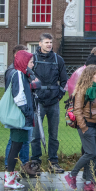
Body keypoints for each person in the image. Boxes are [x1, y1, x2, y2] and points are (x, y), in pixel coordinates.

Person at [30, 33, 69, 174]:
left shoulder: (58, 60)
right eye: (46, 42)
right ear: (40, 43)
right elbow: (28, 78)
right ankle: (35, 161)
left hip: (53, 102)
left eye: (50, 42)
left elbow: (64, 81)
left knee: (53, 134)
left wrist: (59, 95)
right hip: (38, 102)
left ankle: (53, 162)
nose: (49, 45)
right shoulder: (33, 59)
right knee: (35, 134)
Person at [64, 65, 96, 191]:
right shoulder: (82, 91)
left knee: (94, 155)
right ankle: (72, 175)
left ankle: (89, 183)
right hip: (87, 126)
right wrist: (84, 127)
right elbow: (77, 110)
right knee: (90, 153)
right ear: (89, 76)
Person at [4, 49, 39, 189]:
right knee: (15, 146)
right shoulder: (18, 74)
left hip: (21, 116)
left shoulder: (20, 73)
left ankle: (11, 178)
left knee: (16, 146)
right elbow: (18, 96)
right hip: (20, 117)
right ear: (24, 62)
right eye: (30, 62)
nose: (32, 65)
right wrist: (27, 113)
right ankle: (9, 179)